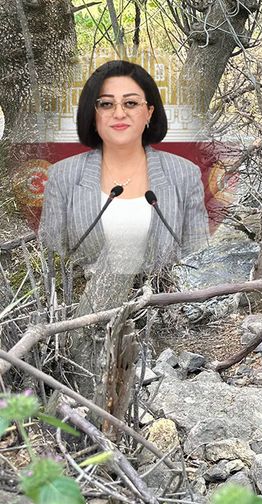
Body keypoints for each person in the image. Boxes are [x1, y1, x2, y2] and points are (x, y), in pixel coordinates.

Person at [39, 59, 209, 399]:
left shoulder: (185, 174)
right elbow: (50, 255)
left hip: (161, 325)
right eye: (106, 104)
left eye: (131, 103)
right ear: (92, 114)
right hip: (78, 326)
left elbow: (198, 252)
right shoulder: (62, 176)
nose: (119, 113)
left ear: (149, 112)